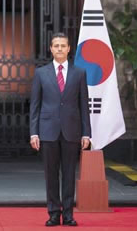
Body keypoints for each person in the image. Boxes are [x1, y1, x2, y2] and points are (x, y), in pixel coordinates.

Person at [29, 32, 91, 227]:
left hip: (72, 131)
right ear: (51, 48)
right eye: (56, 46)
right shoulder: (41, 73)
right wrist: (34, 132)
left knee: (69, 173)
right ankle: (54, 214)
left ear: (69, 48)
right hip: (47, 131)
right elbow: (35, 105)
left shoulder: (79, 73)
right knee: (51, 174)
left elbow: (84, 105)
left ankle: (69, 214)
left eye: (63, 46)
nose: (60, 49)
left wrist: (86, 132)